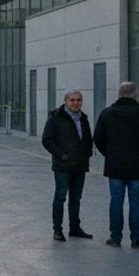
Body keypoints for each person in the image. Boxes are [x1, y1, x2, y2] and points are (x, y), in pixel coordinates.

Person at [93, 82, 139, 247]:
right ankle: (137, 238)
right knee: (136, 202)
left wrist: (109, 154)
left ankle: (115, 237)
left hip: (115, 165)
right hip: (138, 165)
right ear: (135, 94)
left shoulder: (107, 113)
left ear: (119, 94)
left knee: (116, 201)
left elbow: (98, 138)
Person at [41, 90, 94, 241]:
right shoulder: (56, 119)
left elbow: (87, 139)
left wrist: (87, 153)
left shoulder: (83, 118)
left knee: (76, 198)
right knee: (60, 197)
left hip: (80, 165)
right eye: (72, 100)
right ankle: (57, 229)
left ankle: (75, 228)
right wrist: (61, 154)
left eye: (79, 100)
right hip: (63, 166)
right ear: (66, 101)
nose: (76, 103)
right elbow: (47, 140)